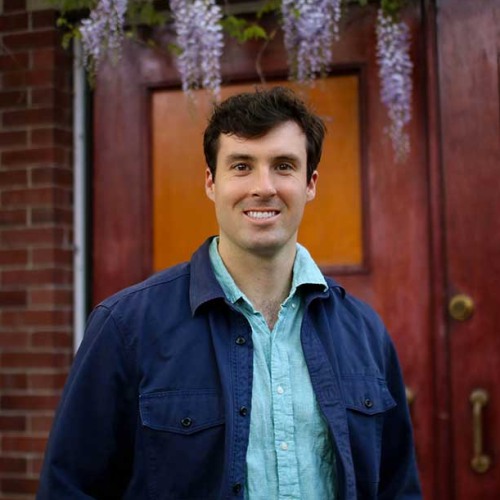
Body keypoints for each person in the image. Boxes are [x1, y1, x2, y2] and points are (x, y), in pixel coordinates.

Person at [38, 87, 421, 499]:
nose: (264, 187)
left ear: (310, 183)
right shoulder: (126, 326)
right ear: (211, 182)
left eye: (284, 166)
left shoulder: (364, 331)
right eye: (241, 166)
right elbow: (69, 488)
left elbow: (398, 487)